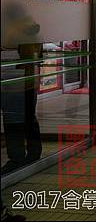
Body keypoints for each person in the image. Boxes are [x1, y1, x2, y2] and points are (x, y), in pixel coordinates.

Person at [1, 44, 43, 175]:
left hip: (17, 80)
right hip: (24, 80)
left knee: (14, 120)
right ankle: (33, 152)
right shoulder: (28, 30)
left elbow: (28, 57)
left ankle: (17, 157)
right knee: (27, 117)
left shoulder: (21, 31)